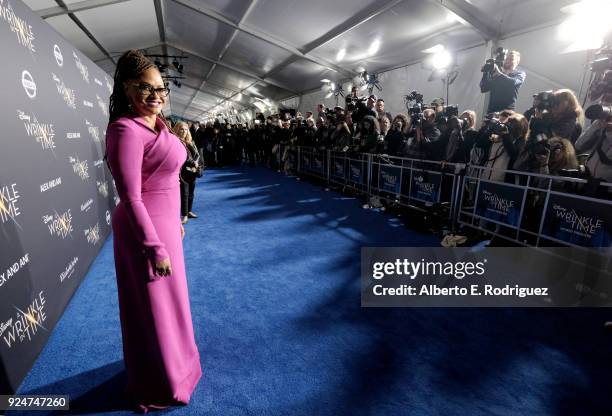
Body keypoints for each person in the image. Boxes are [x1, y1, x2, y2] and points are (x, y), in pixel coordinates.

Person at [104, 50, 202, 412]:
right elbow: (130, 198)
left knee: (172, 303)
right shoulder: (124, 130)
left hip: (165, 226)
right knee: (151, 309)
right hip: (143, 233)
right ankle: (157, 382)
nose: (156, 95)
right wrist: (154, 246)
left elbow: (170, 178)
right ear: (127, 89)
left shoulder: (158, 124)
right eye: (146, 89)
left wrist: (175, 221)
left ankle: (179, 368)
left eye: (161, 88)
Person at [173, 121, 203, 224]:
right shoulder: (175, 142)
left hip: (192, 171)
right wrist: (192, 162)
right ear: (177, 129)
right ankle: (184, 215)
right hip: (182, 172)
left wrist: (197, 164)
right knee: (184, 194)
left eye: (186, 129)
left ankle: (189, 211)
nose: (184, 131)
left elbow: (196, 155)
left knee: (191, 193)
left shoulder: (190, 142)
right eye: (181, 129)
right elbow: (179, 157)